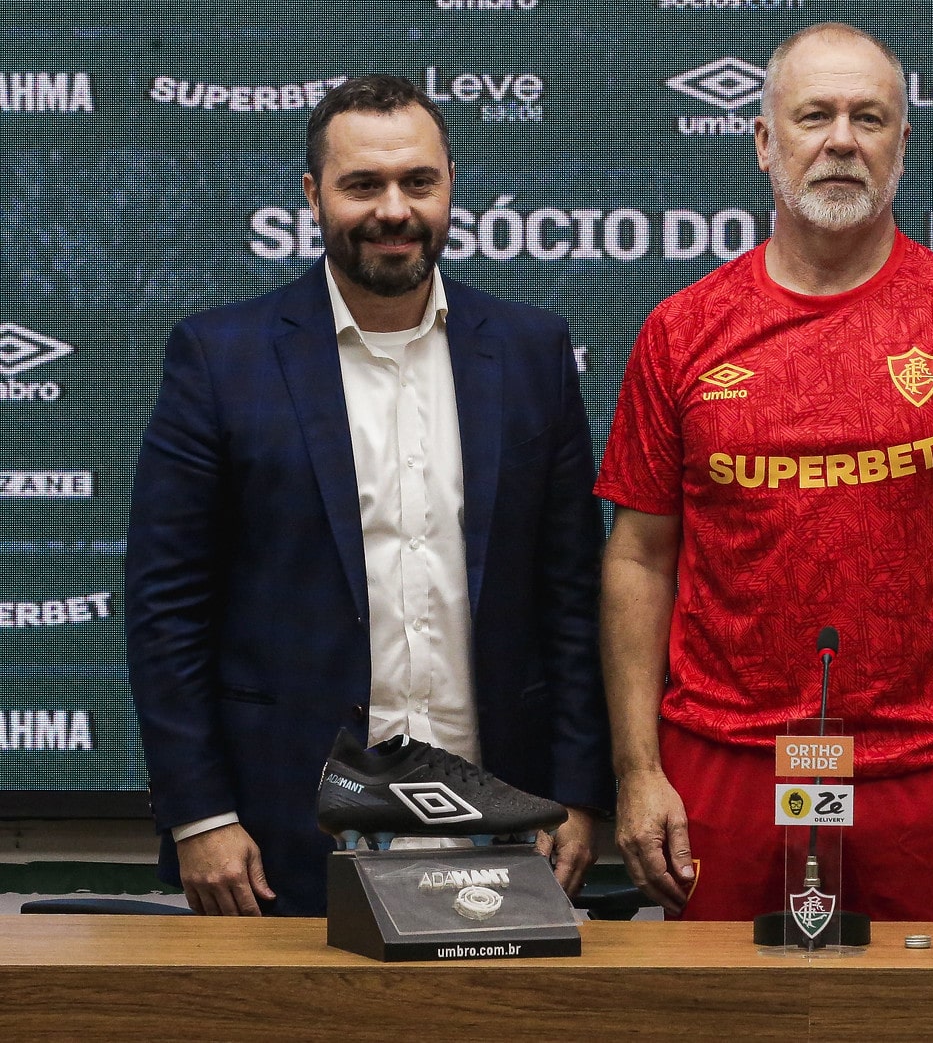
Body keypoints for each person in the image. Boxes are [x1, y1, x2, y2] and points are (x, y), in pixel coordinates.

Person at [597, 21, 933, 922]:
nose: (841, 141)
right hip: (725, 768)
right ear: (762, 140)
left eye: (869, 117)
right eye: (814, 115)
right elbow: (639, 558)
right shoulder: (680, 329)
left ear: (905, 142)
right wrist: (637, 770)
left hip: (928, 771)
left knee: (930, 1023)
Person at [125, 74, 610, 916]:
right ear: (314, 195)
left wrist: (577, 791)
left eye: (417, 182)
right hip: (285, 835)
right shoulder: (219, 356)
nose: (394, 209)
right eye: (362, 185)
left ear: (450, 183)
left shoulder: (533, 350)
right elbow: (166, 609)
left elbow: (572, 595)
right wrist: (199, 813)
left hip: (507, 824)